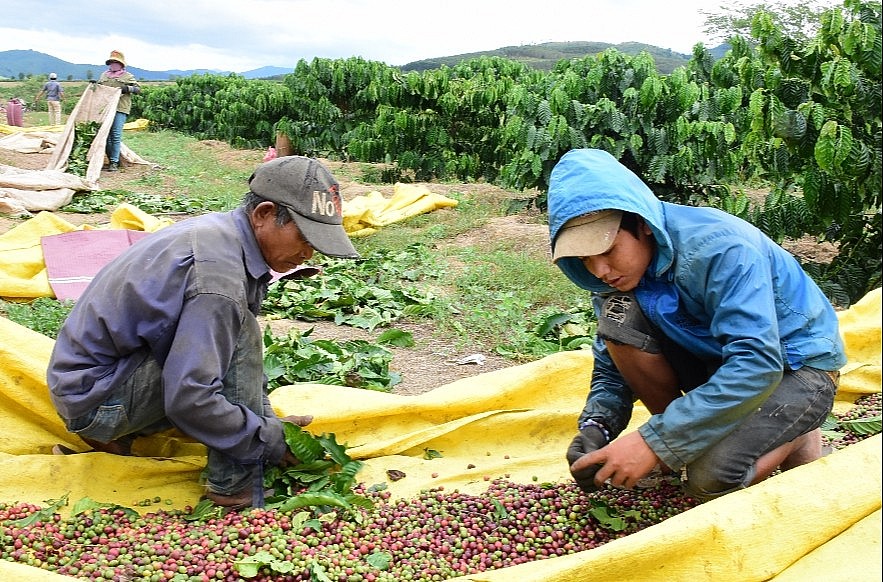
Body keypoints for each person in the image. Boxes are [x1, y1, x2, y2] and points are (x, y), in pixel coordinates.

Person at [47, 155, 360, 509]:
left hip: (91, 383)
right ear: (263, 214)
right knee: (238, 328)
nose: (308, 253)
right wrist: (268, 440)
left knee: (232, 329)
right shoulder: (218, 279)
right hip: (96, 401)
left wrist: (266, 420)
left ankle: (122, 436)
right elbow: (192, 398)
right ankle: (234, 486)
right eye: (304, 238)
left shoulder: (223, 233)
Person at [549, 148, 846, 501]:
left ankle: (797, 433)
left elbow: (756, 362)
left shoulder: (719, 248)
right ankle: (688, 439)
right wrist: (597, 426)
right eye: (585, 259)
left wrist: (652, 441)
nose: (600, 270)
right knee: (619, 322)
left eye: (608, 251)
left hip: (793, 366)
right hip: (720, 365)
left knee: (709, 479)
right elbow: (613, 362)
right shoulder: (618, 279)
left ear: (641, 224)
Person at [96, 50, 140, 171]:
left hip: (120, 108)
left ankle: (114, 162)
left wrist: (127, 89)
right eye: (111, 62)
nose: (113, 64)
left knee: (115, 135)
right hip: (105, 108)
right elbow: (99, 88)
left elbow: (137, 89)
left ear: (121, 64)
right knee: (105, 134)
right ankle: (111, 158)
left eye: (116, 62)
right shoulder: (104, 76)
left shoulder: (127, 76)